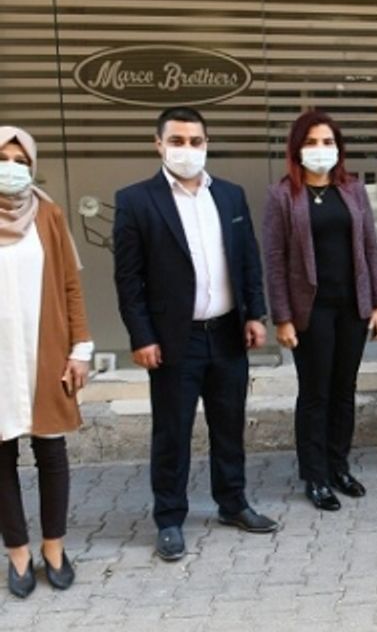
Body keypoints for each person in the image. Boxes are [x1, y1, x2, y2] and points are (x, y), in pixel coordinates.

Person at [114, 106, 277, 563]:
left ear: (207, 144)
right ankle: (169, 518)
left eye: (196, 141)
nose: (187, 149)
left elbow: (247, 260)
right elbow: (128, 280)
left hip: (226, 333)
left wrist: (255, 314)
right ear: (158, 144)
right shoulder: (136, 201)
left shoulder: (229, 195)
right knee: (173, 431)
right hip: (173, 340)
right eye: (177, 141)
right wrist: (142, 337)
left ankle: (233, 502)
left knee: (229, 424)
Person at [263, 111, 377, 510]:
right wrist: (282, 317)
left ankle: (339, 466)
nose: (321, 150)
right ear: (297, 149)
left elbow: (370, 248)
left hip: (352, 306)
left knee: (344, 390)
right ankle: (315, 476)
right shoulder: (283, 196)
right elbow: (275, 259)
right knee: (315, 394)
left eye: (328, 142)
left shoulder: (352, 190)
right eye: (312, 142)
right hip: (311, 311)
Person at [0, 127, 91, 597]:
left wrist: (80, 349)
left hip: (45, 349)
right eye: (3, 157)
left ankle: (54, 546)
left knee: (51, 452)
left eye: (21, 160)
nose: (12, 167)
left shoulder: (49, 214)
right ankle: (17, 552)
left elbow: (71, 286)